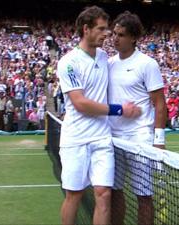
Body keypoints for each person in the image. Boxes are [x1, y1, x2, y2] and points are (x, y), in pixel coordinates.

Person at [56, 6, 141, 225]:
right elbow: (80, 103)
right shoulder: (68, 62)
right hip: (75, 139)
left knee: (104, 194)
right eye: (102, 29)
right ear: (86, 29)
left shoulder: (104, 57)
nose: (107, 34)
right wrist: (120, 109)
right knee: (74, 195)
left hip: (102, 139)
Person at [108, 11, 167, 225]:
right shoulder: (109, 63)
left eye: (121, 34)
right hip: (113, 137)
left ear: (133, 38)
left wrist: (159, 141)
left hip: (140, 137)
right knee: (114, 191)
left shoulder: (147, 64)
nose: (115, 38)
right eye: (114, 33)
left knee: (143, 195)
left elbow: (160, 103)